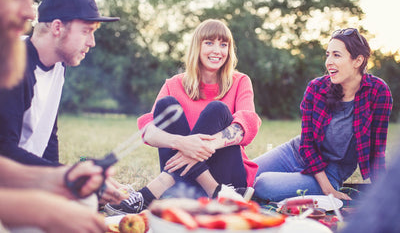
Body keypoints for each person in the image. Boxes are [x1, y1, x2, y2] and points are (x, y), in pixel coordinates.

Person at [0, 0, 119, 231]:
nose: (92, 42)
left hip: (28, 179)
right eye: (87, 30)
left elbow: (48, 135)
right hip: (11, 185)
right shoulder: (11, 63)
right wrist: (59, 177)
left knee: (84, 200)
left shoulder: (58, 66)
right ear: (57, 27)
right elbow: (4, 149)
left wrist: (65, 180)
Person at [105, 19, 262, 215]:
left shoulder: (240, 81)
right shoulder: (173, 84)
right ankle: (215, 192)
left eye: (224, 44)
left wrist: (206, 145)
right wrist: (181, 142)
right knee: (166, 105)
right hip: (184, 184)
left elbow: (248, 124)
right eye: (209, 43)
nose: (217, 50)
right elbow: (148, 131)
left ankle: (152, 192)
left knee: (218, 110)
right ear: (197, 46)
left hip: (228, 179)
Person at [252, 28, 393, 202]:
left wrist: (386, 195)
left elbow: (376, 151)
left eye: (336, 55)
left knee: (263, 185)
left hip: (331, 171)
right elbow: (307, 143)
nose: (328, 62)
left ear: (358, 61)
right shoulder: (316, 88)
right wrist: (328, 192)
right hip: (295, 153)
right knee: (243, 173)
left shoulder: (378, 92)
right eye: (328, 55)